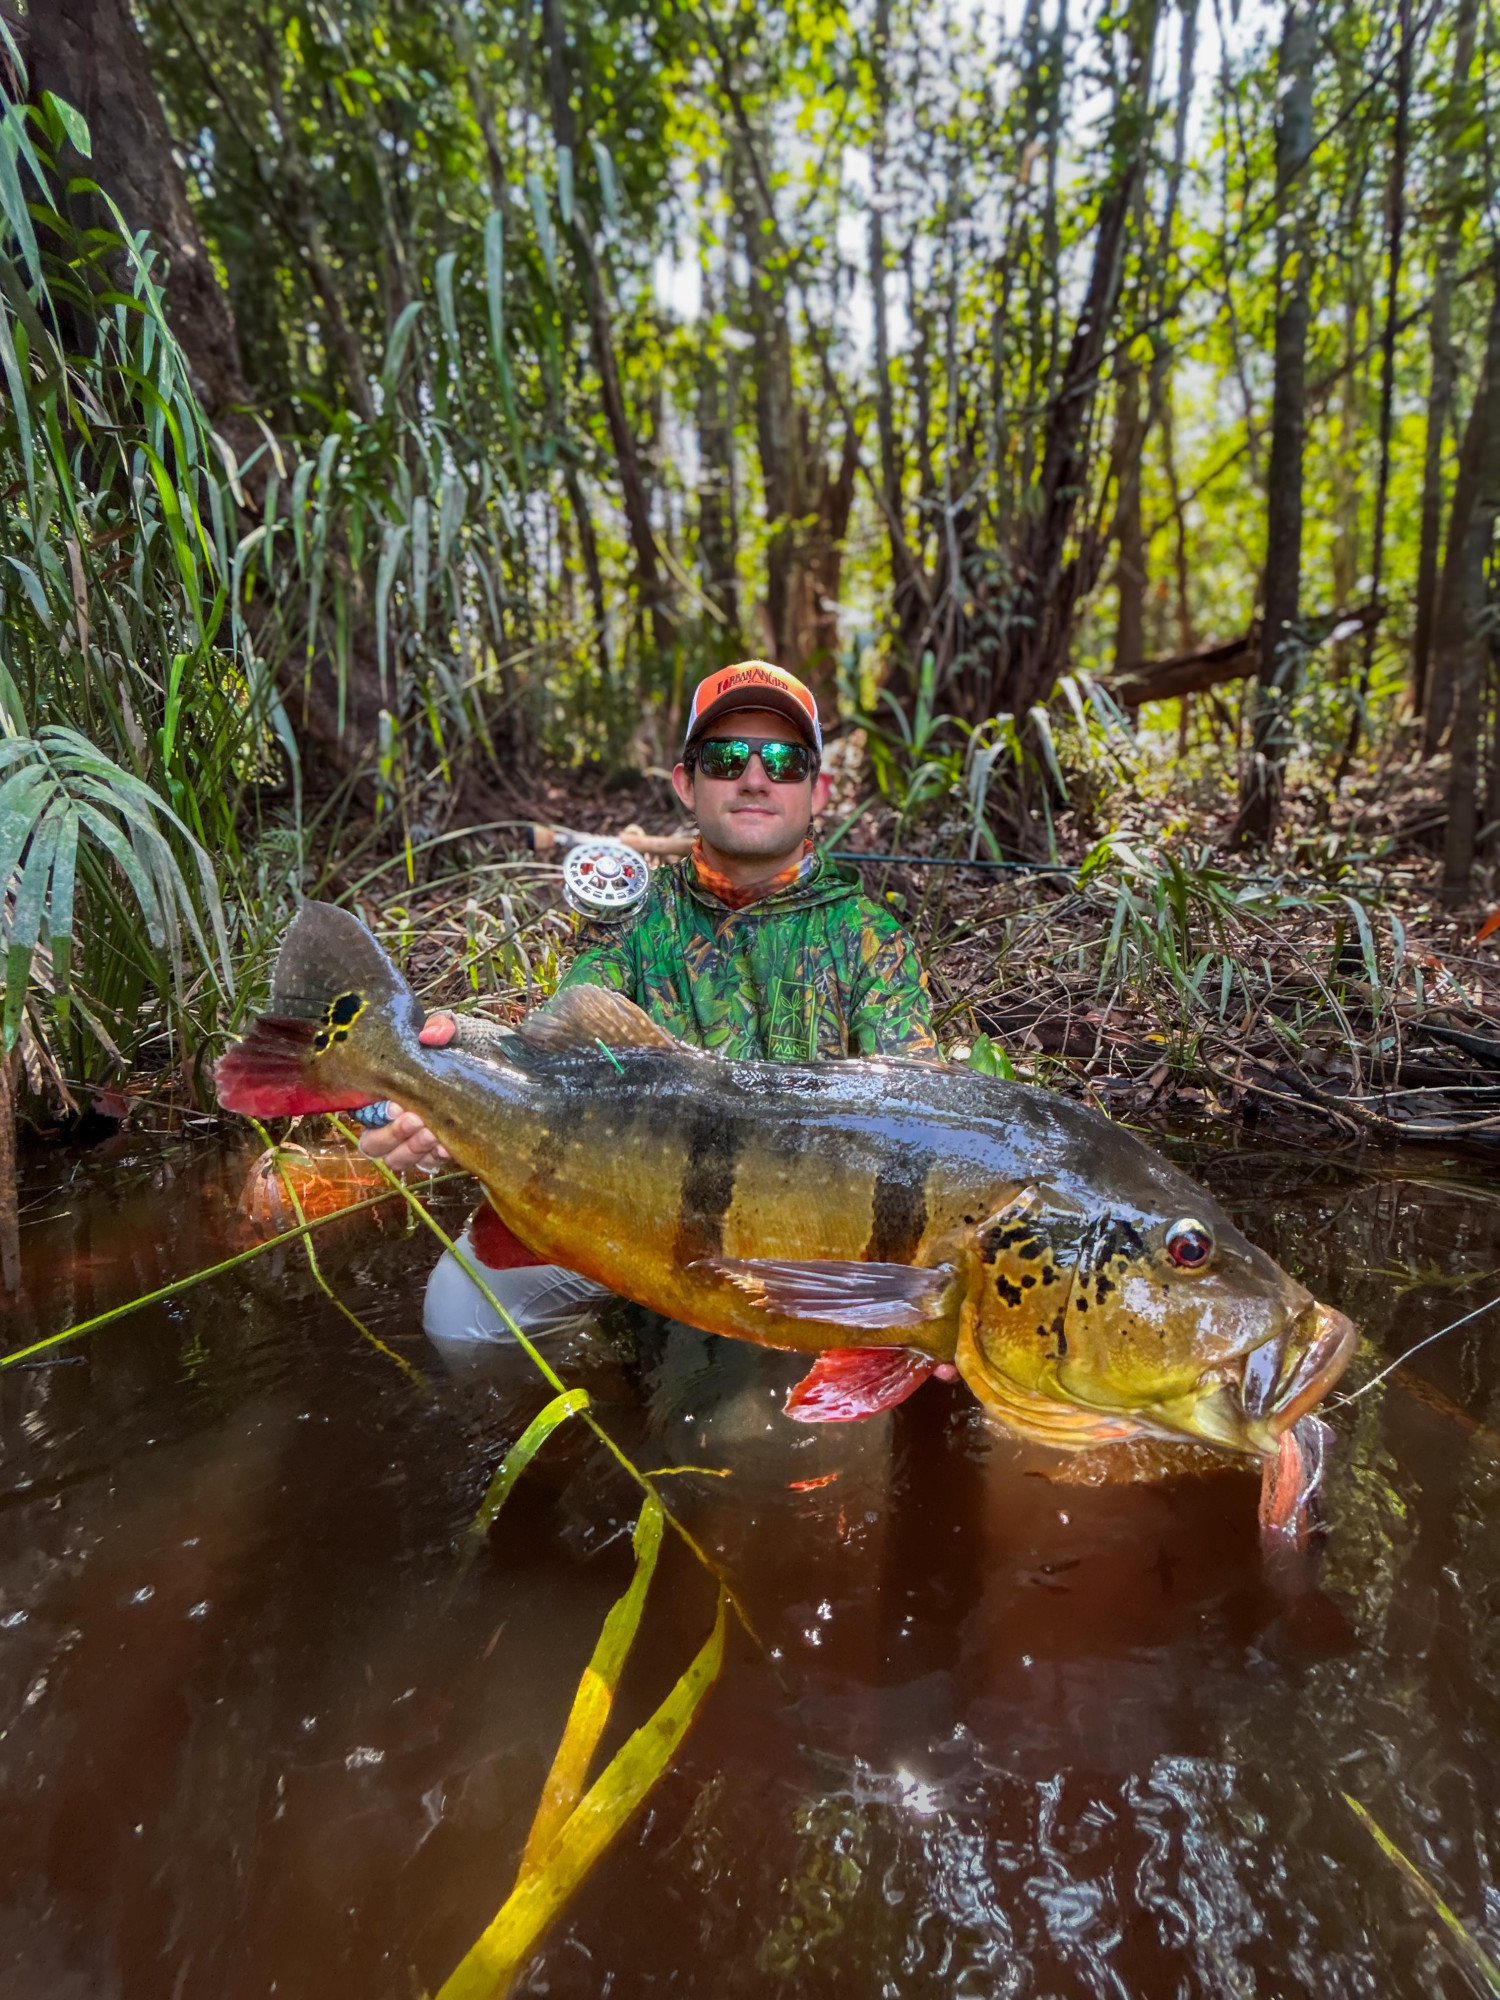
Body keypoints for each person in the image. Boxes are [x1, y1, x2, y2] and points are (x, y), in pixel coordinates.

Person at [359, 660, 940, 1347]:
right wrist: (437, 1089)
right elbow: (555, 1064)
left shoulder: (871, 938)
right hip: (620, 1202)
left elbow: (919, 1126)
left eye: (784, 761)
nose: (755, 778)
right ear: (687, 783)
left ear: (818, 789)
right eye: (726, 758)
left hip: (808, 1241)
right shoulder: (636, 921)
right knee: (463, 1312)